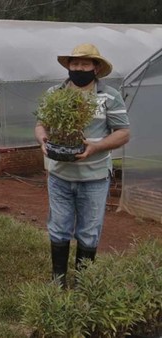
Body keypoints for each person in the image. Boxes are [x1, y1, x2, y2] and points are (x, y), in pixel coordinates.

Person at [34, 43, 130, 287]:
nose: (78, 68)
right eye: (74, 64)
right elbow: (40, 124)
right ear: (68, 66)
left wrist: (96, 146)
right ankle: (58, 280)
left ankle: (82, 282)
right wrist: (42, 139)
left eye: (84, 64)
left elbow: (123, 133)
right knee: (58, 227)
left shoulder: (110, 96)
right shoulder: (54, 93)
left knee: (89, 231)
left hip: (95, 177)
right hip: (59, 175)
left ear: (95, 68)